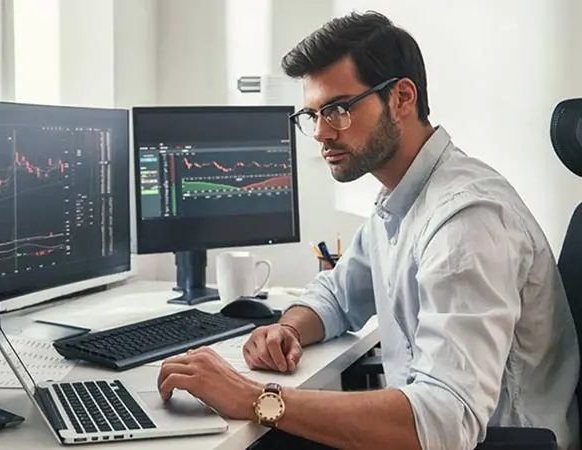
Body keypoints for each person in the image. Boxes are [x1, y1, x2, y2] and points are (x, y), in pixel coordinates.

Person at [156, 10, 581, 450]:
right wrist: (288, 328)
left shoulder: (466, 222)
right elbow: (339, 296)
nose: (321, 132)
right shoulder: (399, 200)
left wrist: (256, 399)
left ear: (400, 98)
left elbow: (445, 420)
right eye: (312, 114)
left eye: (337, 110)